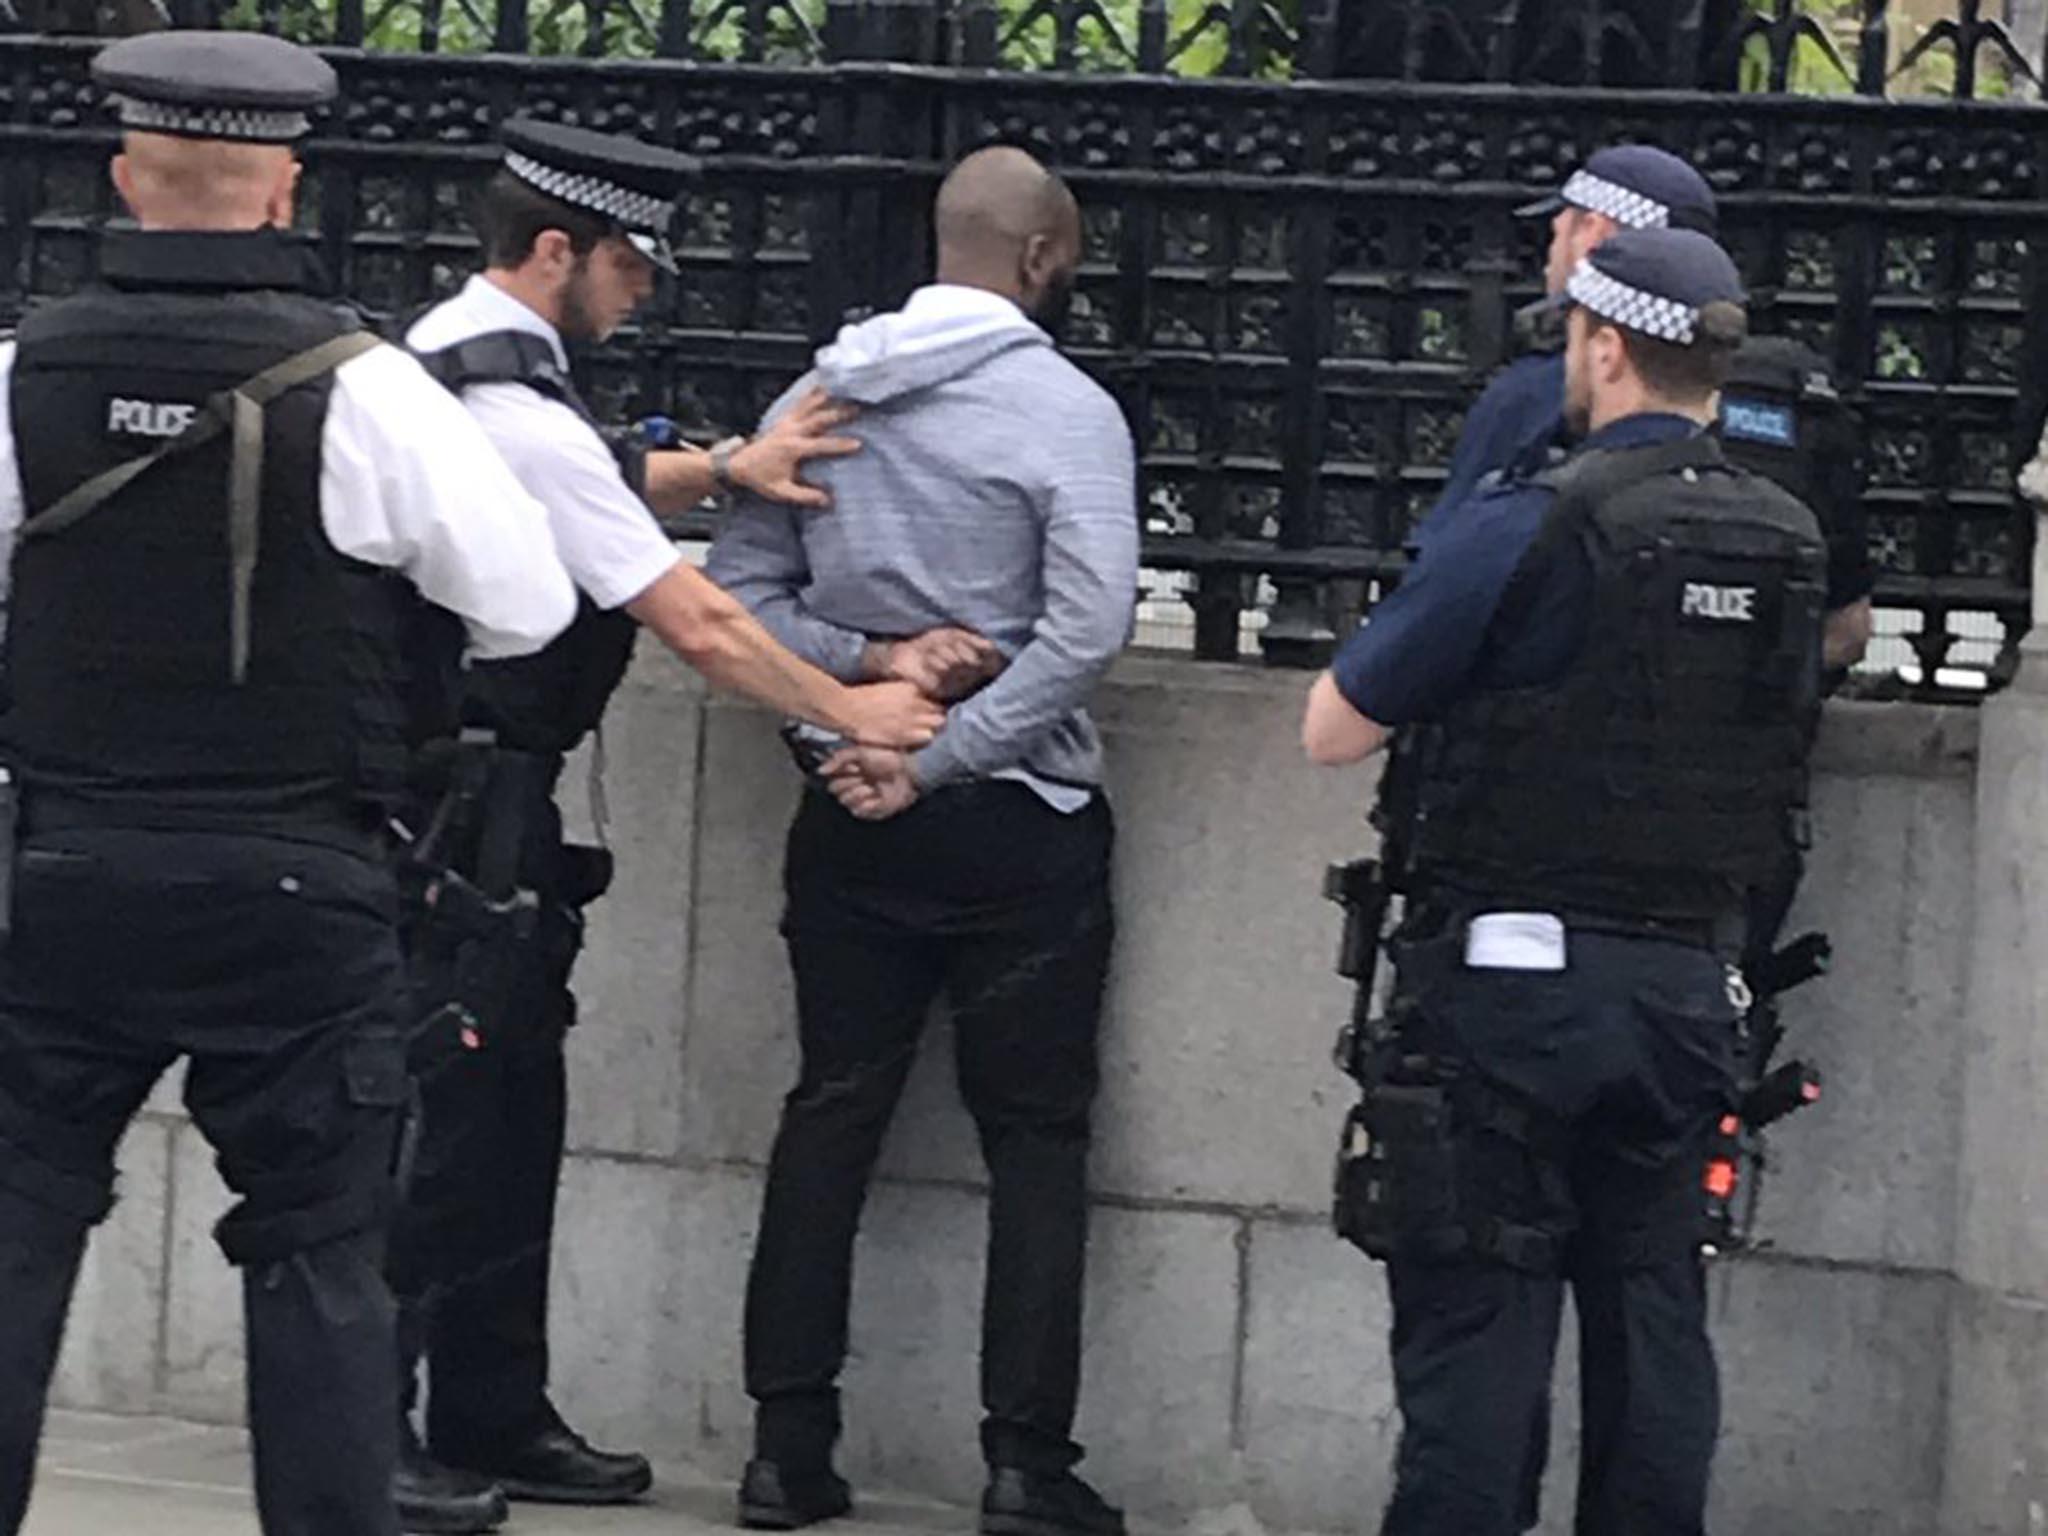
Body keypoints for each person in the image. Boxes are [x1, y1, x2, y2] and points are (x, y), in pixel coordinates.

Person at [0, 30, 579, 1536]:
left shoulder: (25, 372)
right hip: (295, 880)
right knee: (324, 1253)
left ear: (127, 178)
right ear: (285, 193)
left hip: (62, 867)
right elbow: (526, 605)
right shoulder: (370, 391)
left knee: (13, 1226)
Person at [386, 117, 945, 1535]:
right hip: (459, 807)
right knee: (443, 1126)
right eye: (632, 267)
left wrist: (722, 470)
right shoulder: (511, 398)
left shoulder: (452, 357)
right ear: (558, 251)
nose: (645, 292)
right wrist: (855, 709)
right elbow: (696, 621)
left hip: (472, 804)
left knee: (511, 1110)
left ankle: (492, 1412)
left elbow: (579, 485)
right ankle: (373, 1431)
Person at [1300, 228, 1828, 1536]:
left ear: (1602, 344)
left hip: (1506, 998)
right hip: (1688, 997)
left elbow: (1335, 724)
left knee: (1479, 1340)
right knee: (1656, 1330)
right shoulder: (1787, 541)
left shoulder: (1533, 520)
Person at [705, 145, 1138, 1536]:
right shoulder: (1067, 414)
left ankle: (787, 1449)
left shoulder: (820, 396)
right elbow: (1087, 630)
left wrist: (856, 695)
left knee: (831, 1109)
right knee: (1037, 1140)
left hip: (846, 816)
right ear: (1045, 259)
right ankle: (1025, 1465)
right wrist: (939, 745)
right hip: (1021, 823)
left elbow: (737, 592)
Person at [1429, 144, 1721, 523]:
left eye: (1556, 232)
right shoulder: (1737, 388)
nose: (1549, 257)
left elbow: (1456, 551)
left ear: (1592, 235)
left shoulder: (1534, 392)